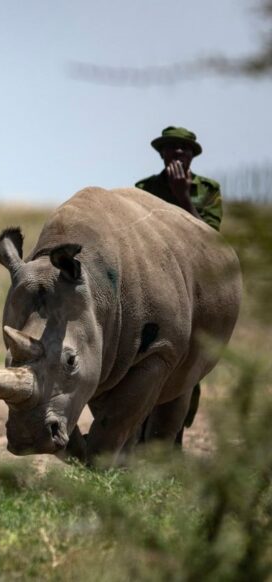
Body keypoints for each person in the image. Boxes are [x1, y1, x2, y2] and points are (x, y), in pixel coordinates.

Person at [135, 125, 223, 445]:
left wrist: (184, 197)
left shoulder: (207, 190)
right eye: (172, 148)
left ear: (192, 156)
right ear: (161, 154)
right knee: (145, 358)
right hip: (154, 286)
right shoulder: (144, 189)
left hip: (192, 290)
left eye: (184, 149)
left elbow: (210, 241)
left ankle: (173, 436)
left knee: (186, 363)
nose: (178, 154)